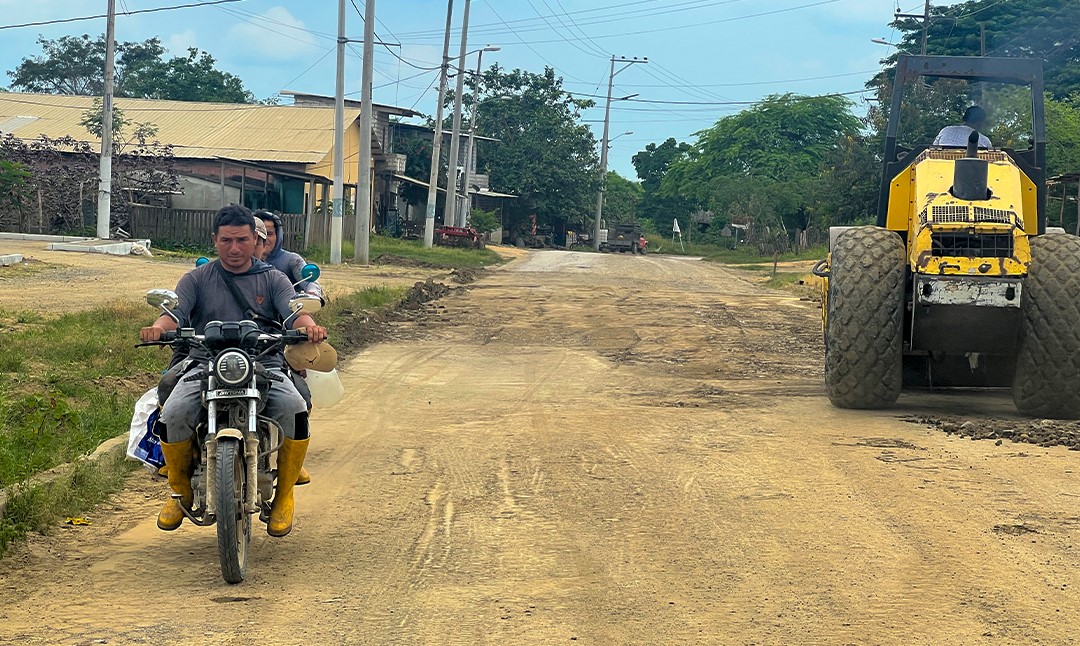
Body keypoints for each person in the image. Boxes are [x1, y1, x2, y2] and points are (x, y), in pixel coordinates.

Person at [140, 205, 327, 538]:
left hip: (263, 362)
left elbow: (294, 312)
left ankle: (284, 495)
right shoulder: (196, 279)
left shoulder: (273, 278)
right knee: (173, 412)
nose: (235, 248)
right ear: (215, 240)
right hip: (204, 362)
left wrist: (309, 325)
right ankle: (180, 490)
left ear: (255, 239)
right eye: (226, 240)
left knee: (295, 409)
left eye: (242, 240)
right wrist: (158, 326)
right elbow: (175, 313)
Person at [254, 210, 324, 304]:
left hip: (286, 313)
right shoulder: (241, 261)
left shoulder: (292, 260)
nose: (264, 239)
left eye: (269, 234)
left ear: (278, 235)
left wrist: (313, 293)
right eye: (259, 236)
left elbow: (309, 282)